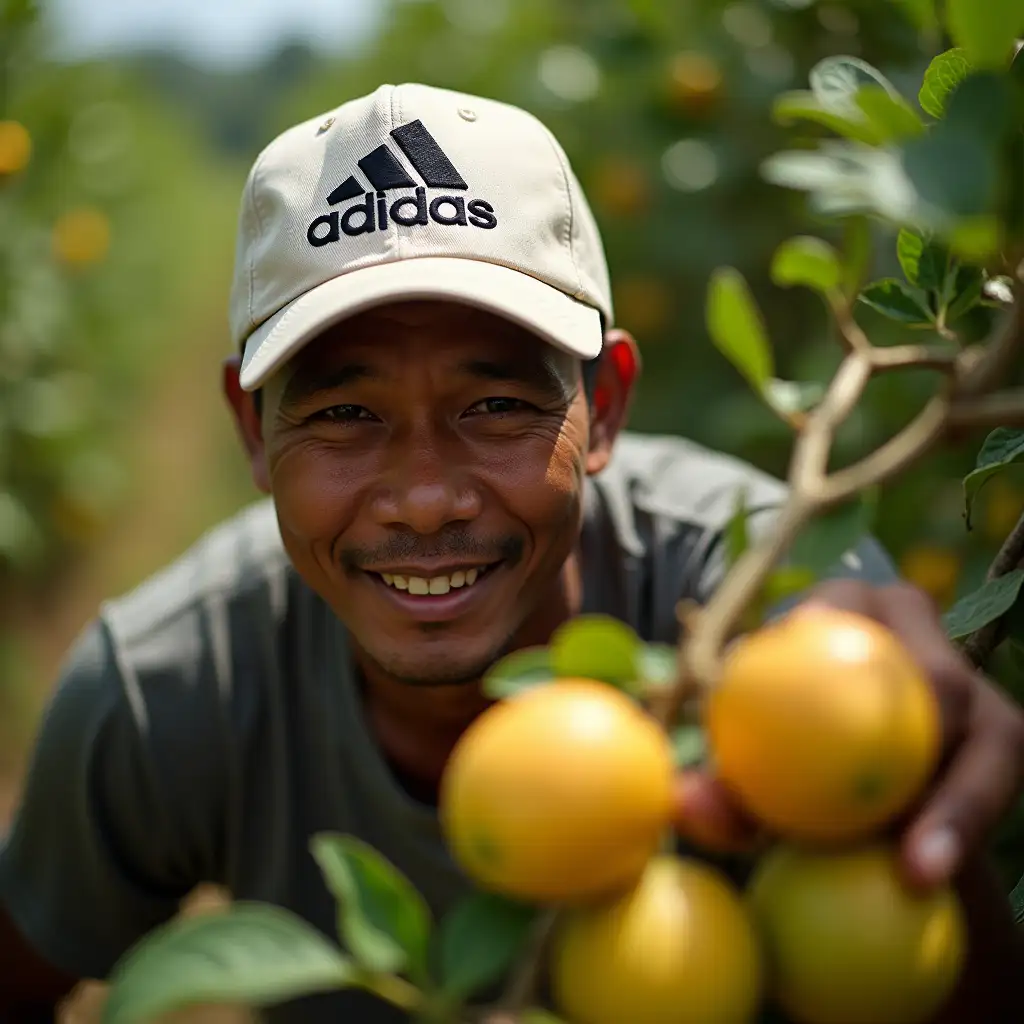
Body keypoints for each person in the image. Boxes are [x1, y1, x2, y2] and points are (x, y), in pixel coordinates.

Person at [1, 82, 1022, 1024]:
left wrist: (886, 759)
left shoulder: (768, 595)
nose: (427, 497)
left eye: (495, 406)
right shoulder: (168, 691)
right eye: (346, 413)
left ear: (605, 404)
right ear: (249, 430)